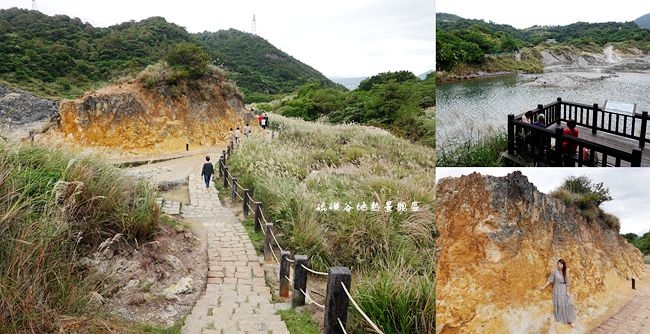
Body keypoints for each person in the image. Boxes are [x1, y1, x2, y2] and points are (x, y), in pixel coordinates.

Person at [538, 259, 577, 328]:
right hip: (557, 289)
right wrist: (544, 286)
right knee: (560, 304)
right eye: (558, 264)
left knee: (568, 303)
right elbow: (550, 280)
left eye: (561, 264)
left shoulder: (566, 272)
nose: (559, 265)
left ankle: (570, 321)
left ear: (563, 265)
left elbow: (567, 283)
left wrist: (567, 291)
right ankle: (563, 318)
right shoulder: (555, 272)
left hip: (564, 288)